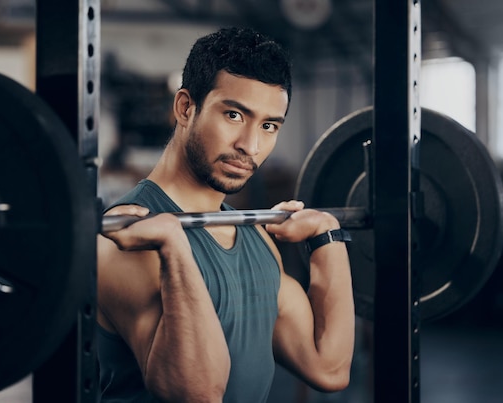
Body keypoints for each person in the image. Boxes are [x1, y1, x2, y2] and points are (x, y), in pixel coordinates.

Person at [96, 26, 355, 403]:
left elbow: (328, 369)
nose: (250, 145)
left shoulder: (255, 236)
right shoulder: (131, 238)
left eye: (268, 126)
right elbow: (199, 393)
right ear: (186, 108)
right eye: (234, 115)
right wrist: (175, 248)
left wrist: (327, 238)